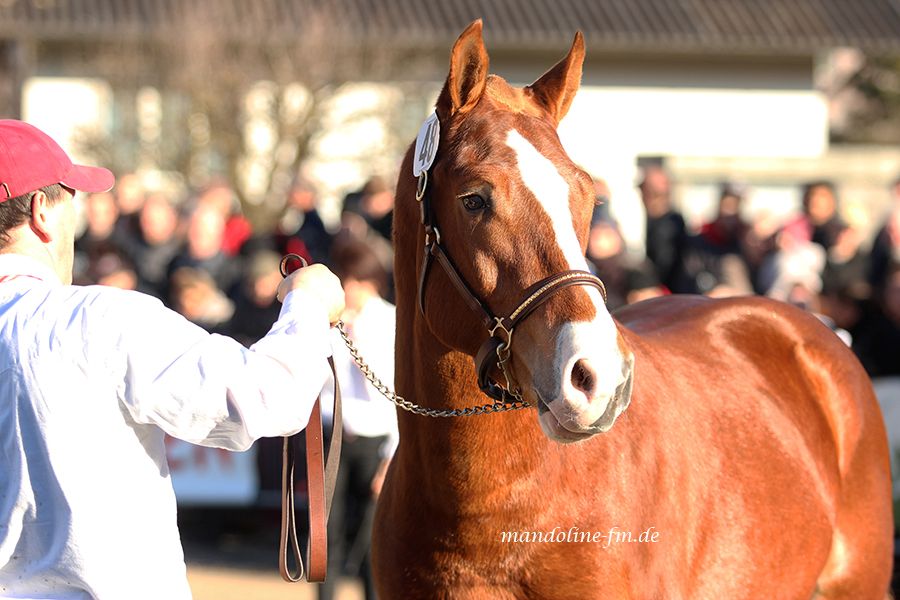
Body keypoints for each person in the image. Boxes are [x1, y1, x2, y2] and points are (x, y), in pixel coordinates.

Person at [0, 120, 345, 599]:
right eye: (69, 200)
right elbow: (262, 398)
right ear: (41, 211)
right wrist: (309, 303)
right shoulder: (98, 318)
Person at [318, 239, 398, 600]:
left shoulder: (389, 320)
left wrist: (391, 457)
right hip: (331, 434)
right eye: (346, 280)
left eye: (358, 282)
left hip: (374, 439)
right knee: (325, 534)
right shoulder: (325, 320)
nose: (350, 290)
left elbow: (393, 391)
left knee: (371, 537)